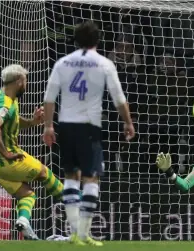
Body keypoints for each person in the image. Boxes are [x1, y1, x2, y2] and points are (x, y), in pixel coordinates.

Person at [43, 21, 135, 246]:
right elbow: (119, 99)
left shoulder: (62, 63)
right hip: (89, 126)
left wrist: (48, 126)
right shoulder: (103, 63)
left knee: (71, 176)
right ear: (98, 40)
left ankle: (75, 232)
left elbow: (49, 98)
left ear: (75, 40)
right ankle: (82, 233)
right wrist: (128, 123)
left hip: (65, 125)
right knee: (92, 177)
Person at [0, 64, 64, 240]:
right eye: (25, 81)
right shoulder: (5, 103)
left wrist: (33, 122)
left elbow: (12, 119)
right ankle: (75, 203)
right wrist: (6, 153)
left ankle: (24, 223)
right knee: (44, 172)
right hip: (5, 161)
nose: (26, 84)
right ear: (19, 81)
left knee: (26, 193)